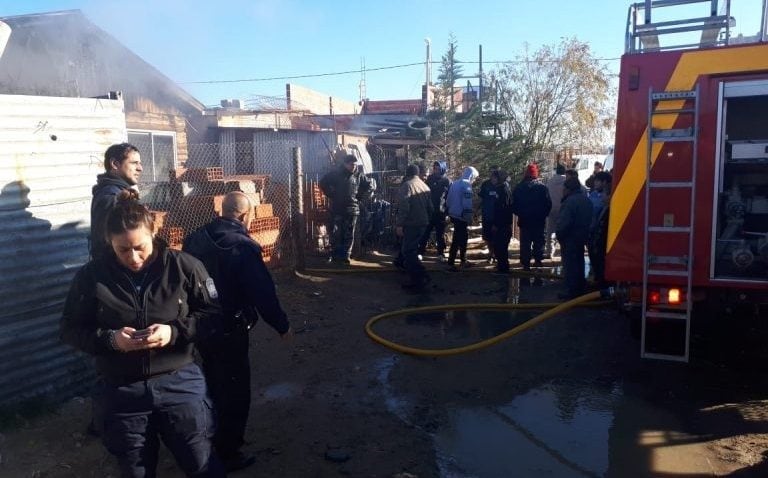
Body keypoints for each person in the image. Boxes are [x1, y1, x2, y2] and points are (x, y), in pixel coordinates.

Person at [60, 190, 225, 477]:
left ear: (154, 232)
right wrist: (111, 340)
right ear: (108, 242)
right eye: (122, 250)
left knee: (202, 464)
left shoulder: (185, 267)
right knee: (135, 471)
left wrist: (173, 333)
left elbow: (213, 316)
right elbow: (70, 329)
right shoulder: (91, 277)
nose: (134, 258)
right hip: (122, 392)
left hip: (180, 385)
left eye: (140, 247)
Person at [183, 191, 293, 472]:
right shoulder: (242, 247)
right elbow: (262, 292)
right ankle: (227, 452)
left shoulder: (195, 238)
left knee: (211, 380)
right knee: (234, 390)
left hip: (200, 327)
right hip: (229, 328)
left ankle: (206, 435)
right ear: (246, 215)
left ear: (221, 209)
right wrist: (281, 324)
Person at [319, 154, 373, 265]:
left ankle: (345, 256)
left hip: (352, 210)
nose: (353, 166)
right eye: (350, 164)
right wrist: (331, 194)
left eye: (354, 164)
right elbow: (323, 183)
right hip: (338, 209)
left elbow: (369, 186)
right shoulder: (336, 174)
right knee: (336, 233)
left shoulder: (359, 175)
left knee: (349, 234)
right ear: (345, 164)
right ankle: (335, 255)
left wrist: (360, 198)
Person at [91, 143, 142, 260]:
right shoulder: (111, 196)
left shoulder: (115, 191)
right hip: (116, 269)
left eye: (139, 163)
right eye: (134, 163)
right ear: (114, 164)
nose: (140, 168)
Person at [395, 164, 434, 290]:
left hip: (412, 223)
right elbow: (431, 208)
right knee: (412, 250)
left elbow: (404, 207)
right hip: (423, 223)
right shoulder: (425, 186)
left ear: (407, 174)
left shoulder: (407, 185)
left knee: (408, 252)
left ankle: (418, 280)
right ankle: (422, 275)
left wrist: (399, 224)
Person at [556, 177, 593, 299]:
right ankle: (579, 288)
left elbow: (564, 222)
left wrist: (559, 234)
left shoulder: (570, 202)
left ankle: (571, 291)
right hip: (581, 237)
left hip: (570, 238)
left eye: (564, 188)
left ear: (568, 189)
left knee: (570, 265)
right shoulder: (586, 200)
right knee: (579, 262)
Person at [512, 164, 552, 270]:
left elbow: (514, 204)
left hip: (525, 220)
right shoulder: (542, 188)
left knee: (525, 242)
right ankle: (538, 260)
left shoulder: (519, 188)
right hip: (539, 220)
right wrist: (543, 214)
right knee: (539, 241)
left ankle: (526, 263)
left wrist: (520, 213)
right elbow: (548, 204)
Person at [445, 166, 479, 271]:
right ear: (472, 176)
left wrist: (449, 211)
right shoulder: (466, 186)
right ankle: (460, 261)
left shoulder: (455, 183)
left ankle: (454, 260)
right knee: (461, 238)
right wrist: (469, 217)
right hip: (461, 216)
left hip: (453, 214)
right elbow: (467, 203)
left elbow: (448, 199)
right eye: (475, 177)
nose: (474, 180)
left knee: (457, 237)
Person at [418, 160, 451, 261]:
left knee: (440, 234)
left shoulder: (447, 181)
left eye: (438, 169)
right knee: (425, 232)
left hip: (441, 212)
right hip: (429, 211)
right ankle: (420, 252)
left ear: (442, 169)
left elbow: (450, 197)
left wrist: (447, 212)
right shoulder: (430, 179)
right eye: (435, 168)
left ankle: (441, 253)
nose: (436, 170)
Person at [588, 171, 613, 288]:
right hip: (592, 234)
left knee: (599, 261)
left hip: (600, 237)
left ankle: (602, 285)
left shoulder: (607, 207)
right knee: (594, 259)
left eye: (598, 180)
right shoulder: (593, 194)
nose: (595, 183)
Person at [490, 169, 514, 274]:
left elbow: (501, 208)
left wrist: (496, 224)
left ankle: (503, 268)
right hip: (505, 222)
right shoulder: (505, 187)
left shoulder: (502, 189)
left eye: (494, 177)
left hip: (502, 223)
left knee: (500, 246)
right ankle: (502, 266)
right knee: (501, 246)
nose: (492, 179)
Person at [478, 165, 500, 264]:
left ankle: (497, 255)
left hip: (498, 216)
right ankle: (490, 255)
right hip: (487, 215)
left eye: (495, 172)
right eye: (491, 172)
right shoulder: (485, 184)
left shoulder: (502, 185)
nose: (492, 174)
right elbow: (481, 198)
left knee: (498, 237)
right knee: (488, 237)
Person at [545, 163, 566, 259]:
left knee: (550, 231)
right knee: (563, 231)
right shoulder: (567, 181)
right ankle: (563, 251)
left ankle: (549, 251)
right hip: (563, 209)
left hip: (551, 209)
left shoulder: (550, 181)